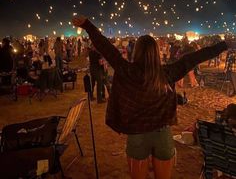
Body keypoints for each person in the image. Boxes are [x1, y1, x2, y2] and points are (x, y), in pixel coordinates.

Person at [72, 16, 233, 179]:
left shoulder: (127, 70)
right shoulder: (167, 73)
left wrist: (87, 25)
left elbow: (105, 47)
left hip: (137, 135)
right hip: (162, 134)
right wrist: (224, 45)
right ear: (156, 52)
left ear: (136, 52)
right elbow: (196, 57)